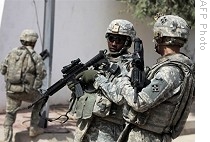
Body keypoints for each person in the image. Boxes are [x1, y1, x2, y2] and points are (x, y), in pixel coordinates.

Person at [76, 15, 195, 142]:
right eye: (111, 38)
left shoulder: (169, 72)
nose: (114, 43)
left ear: (160, 37)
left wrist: (121, 80)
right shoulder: (180, 69)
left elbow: (139, 102)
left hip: (146, 137)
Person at [68, 19, 136, 142]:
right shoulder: (101, 60)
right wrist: (78, 86)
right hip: (86, 123)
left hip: (109, 128)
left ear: (128, 42)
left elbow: (120, 97)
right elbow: (94, 91)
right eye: (111, 38)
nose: (114, 43)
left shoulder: (131, 66)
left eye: (119, 40)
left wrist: (96, 77)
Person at [0, 29, 47, 141]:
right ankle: (33, 128)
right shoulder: (35, 56)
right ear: (34, 42)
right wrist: (36, 86)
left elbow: (2, 69)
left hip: (11, 90)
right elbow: (42, 73)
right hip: (26, 92)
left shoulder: (12, 52)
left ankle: (6, 138)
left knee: (10, 114)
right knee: (41, 99)